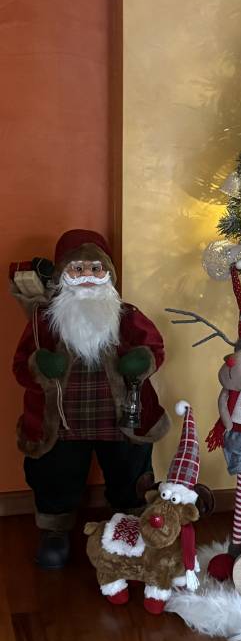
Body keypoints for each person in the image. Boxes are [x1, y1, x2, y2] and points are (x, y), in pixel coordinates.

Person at [13, 229, 169, 568]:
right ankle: (55, 531)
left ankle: (131, 524)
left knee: (129, 470)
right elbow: (21, 366)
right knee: (55, 474)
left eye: (96, 269)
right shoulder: (44, 321)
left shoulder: (127, 315)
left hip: (121, 417)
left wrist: (141, 360)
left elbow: (155, 347)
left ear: (108, 273)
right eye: (78, 268)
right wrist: (40, 366)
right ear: (62, 274)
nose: (87, 276)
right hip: (61, 422)